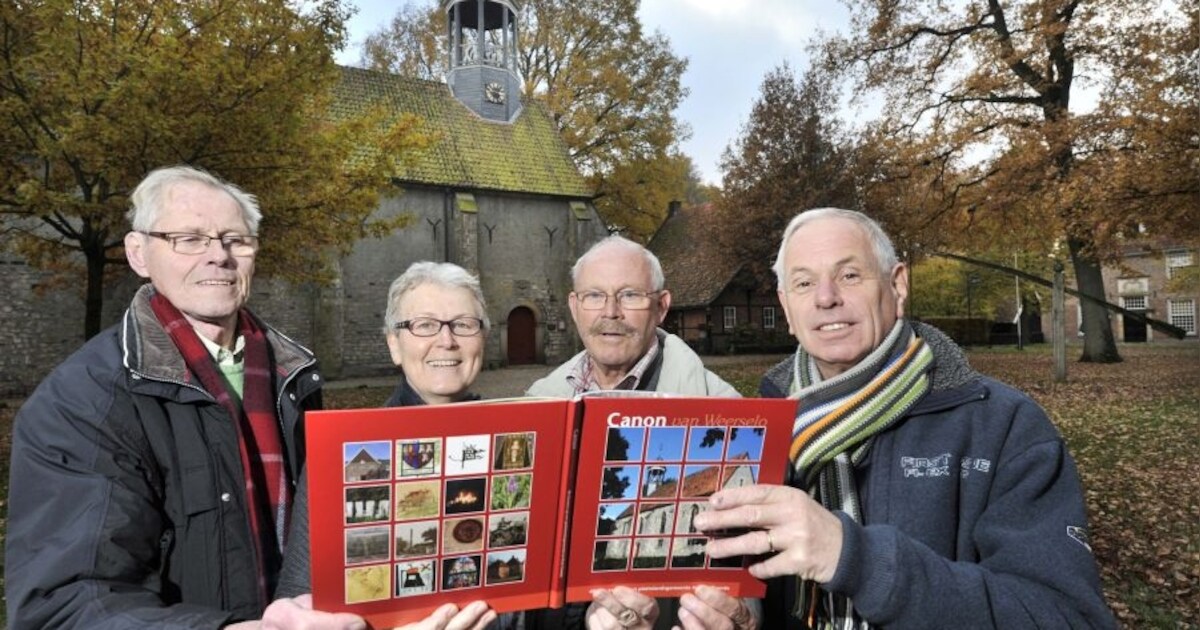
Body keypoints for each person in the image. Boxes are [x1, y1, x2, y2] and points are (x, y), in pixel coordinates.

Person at [692, 208, 1116, 628]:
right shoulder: (754, 435)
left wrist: (860, 562)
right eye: (804, 283)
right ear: (786, 308)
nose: (825, 298)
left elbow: (1068, 618)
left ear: (897, 286)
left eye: (849, 275)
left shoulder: (1004, 427)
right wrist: (745, 619)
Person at [4, 165, 364, 629]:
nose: (219, 256)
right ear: (139, 254)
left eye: (235, 239)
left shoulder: (293, 377)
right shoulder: (82, 401)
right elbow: (65, 605)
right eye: (189, 239)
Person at [526, 235, 757, 630]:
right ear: (574, 307)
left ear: (661, 306)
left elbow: (749, 563)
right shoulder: (538, 402)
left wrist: (742, 614)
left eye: (630, 295)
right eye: (594, 296)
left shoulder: (727, 411)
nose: (610, 312)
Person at [273, 261, 497, 630]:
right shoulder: (345, 453)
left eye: (463, 324)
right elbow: (299, 596)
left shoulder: (522, 440)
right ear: (394, 344)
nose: (447, 340)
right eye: (424, 325)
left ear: (482, 338)